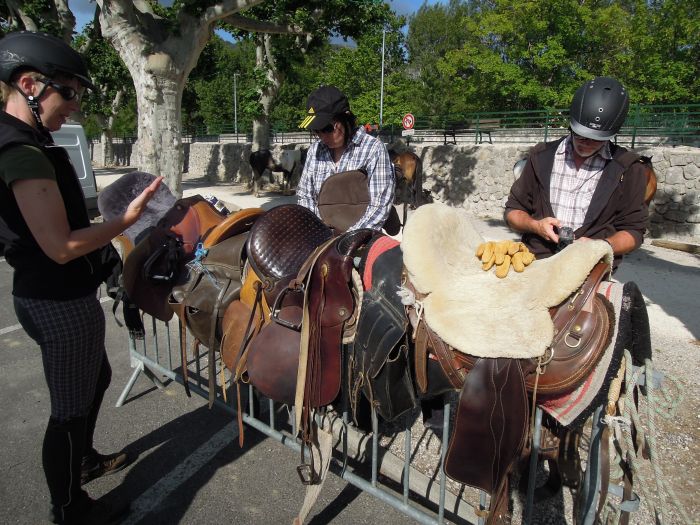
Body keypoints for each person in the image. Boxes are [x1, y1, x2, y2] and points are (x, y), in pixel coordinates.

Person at [0, 31, 161, 525]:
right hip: (58, 299)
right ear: (30, 83)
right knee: (68, 411)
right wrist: (126, 221)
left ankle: (83, 463)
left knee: (98, 378)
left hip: (51, 292)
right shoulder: (21, 150)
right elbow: (61, 245)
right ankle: (70, 508)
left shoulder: (27, 140)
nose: (74, 106)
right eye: (68, 92)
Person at [505, 76, 649, 272]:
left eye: (596, 139)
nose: (585, 143)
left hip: (590, 267)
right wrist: (535, 226)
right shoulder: (541, 156)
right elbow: (513, 211)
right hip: (537, 260)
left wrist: (600, 246)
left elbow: (634, 231)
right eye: (579, 134)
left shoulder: (629, 169)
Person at [297, 85, 396, 232]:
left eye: (327, 129)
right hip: (321, 236)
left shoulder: (373, 149)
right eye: (316, 130)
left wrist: (349, 238)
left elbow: (380, 205)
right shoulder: (314, 151)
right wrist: (319, 230)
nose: (322, 136)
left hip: (361, 238)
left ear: (346, 119)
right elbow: (305, 195)